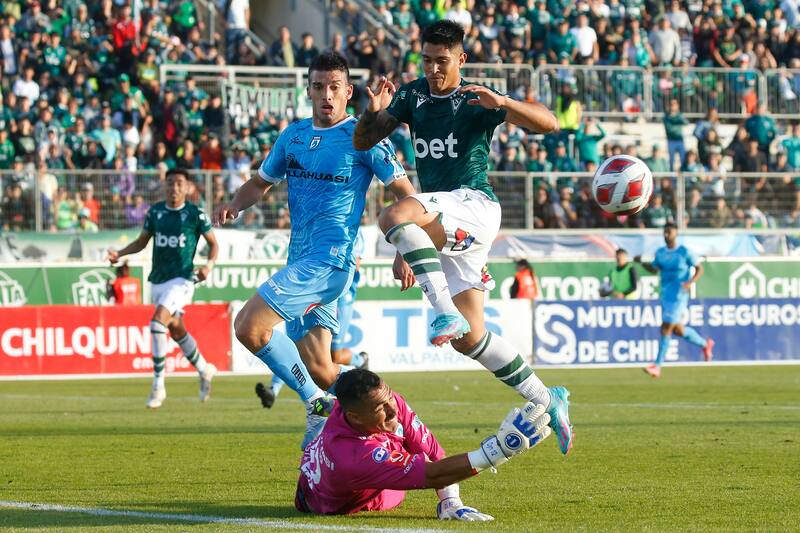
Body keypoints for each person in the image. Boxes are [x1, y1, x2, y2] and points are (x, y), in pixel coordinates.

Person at [352, 20, 573, 455]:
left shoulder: (476, 98)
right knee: (470, 338)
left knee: (392, 214)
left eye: (443, 61)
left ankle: (441, 311)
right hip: (442, 215)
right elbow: (364, 141)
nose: (434, 69)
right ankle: (548, 398)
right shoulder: (412, 96)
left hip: (473, 204)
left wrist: (504, 102)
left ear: (461, 59)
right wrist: (372, 110)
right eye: (428, 60)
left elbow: (548, 124)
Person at [213, 52, 413, 449]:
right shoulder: (294, 136)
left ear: (348, 92)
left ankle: (316, 405)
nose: (326, 94)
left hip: (330, 261)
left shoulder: (364, 138)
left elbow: (406, 194)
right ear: (308, 89)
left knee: (249, 327)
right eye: (319, 86)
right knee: (322, 368)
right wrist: (235, 203)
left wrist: (403, 249)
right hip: (301, 259)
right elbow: (259, 182)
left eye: (334, 87)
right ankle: (397, 417)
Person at [296, 368, 552, 518]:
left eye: (389, 399)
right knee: (402, 469)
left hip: (333, 460)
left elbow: (432, 451)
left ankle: (327, 406)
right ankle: (327, 410)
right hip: (334, 501)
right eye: (380, 407)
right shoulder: (352, 457)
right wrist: (498, 450)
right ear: (354, 416)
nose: (392, 409)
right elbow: (433, 474)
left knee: (406, 437)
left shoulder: (390, 402)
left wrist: (450, 502)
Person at [106, 169, 220, 408]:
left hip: (183, 279)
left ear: (187, 187)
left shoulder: (195, 214)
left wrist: (208, 266)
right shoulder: (155, 212)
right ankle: (204, 369)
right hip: (158, 279)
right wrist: (120, 254)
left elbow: (213, 244)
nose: (174, 188)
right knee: (176, 329)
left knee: (157, 322)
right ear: (164, 186)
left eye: (179, 184)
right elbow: (140, 242)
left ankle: (158, 385)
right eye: (170, 183)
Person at [255, 227, 370, 409]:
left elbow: (355, 263)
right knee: (299, 351)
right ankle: (277, 390)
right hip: (311, 287)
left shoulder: (349, 226)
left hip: (339, 296)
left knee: (332, 357)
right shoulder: (311, 222)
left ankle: (361, 365)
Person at [635, 223, 714, 378]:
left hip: (680, 294)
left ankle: (657, 365)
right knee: (678, 330)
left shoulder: (684, 252)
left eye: (669, 232)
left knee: (666, 328)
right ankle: (706, 344)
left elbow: (700, 268)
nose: (666, 235)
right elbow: (654, 269)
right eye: (664, 232)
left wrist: (690, 282)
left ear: (676, 233)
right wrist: (642, 263)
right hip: (665, 294)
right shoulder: (660, 253)